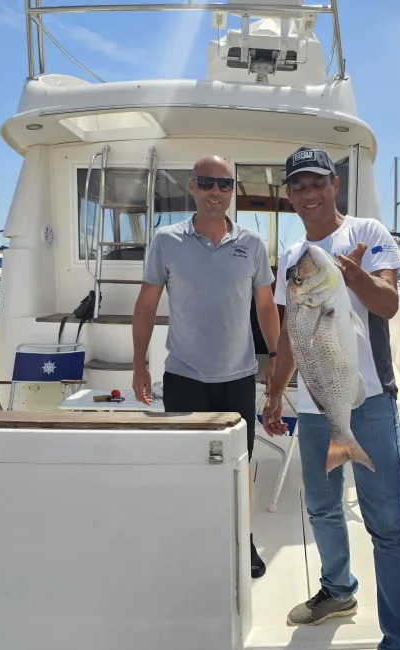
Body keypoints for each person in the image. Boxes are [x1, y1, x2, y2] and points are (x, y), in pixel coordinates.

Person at [262, 147, 400, 650]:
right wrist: (274, 393)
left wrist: (355, 278)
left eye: (317, 182)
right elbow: (292, 335)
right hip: (315, 407)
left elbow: (388, 304)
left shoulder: (367, 233)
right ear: (290, 195)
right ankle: (337, 590)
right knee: (322, 509)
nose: (309, 193)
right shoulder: (292, 256)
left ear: (335, 184)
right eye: (298, 186)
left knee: (388, 525)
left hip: (370, 401)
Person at [131, 155, 281, 579]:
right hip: (184, 375)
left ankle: (243, 538)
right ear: (192, 186)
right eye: (208, 183)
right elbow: (146, 304)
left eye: (225, 184)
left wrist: (277, 361)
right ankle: (190, 539)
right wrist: (139, 364)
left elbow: (265, 306)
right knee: (186, 462)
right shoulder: (166, 240)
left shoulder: (253, 243)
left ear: (233, 191)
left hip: (239, 376)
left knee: (240, 462)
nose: (216, 191)